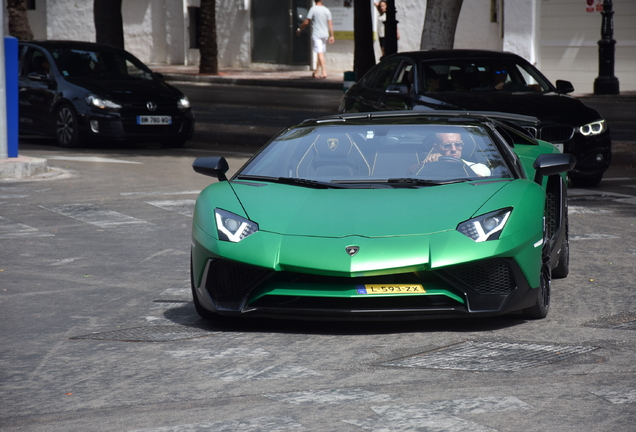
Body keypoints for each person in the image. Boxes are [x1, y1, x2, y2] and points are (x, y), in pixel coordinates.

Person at [412, 132, 491, 177]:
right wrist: (420, 168)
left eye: (458, 144)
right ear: (436, 148)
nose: (453, 149)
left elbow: (476, 183)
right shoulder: (423, 167)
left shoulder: (478, 168)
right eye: (447, 145)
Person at [296, 0, 335, 79]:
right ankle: (316, 72)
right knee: (320, 53)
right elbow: (330, 23)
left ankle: (324, 71)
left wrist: (300, 29)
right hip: (325, 34)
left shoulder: (313, 9)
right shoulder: (326, 10)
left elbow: (307, 21)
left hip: (317, 34)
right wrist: (332, 35)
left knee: (320, 53)